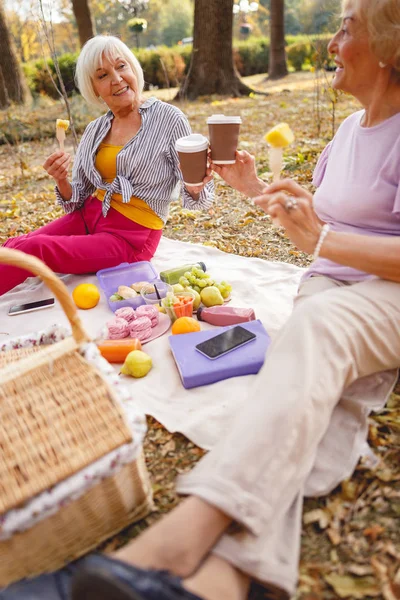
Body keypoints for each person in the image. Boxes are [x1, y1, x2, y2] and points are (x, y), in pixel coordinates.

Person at [71, 2, 400, 599]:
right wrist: (255, 189)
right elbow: (326, 215)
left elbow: (334, 236)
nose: (330, 44)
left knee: (314, 337)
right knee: (316, 399)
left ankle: (177, 541)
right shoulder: (352, 130)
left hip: (386, 294)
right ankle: (222, 580)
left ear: (387, 46)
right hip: (329, 285)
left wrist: (322, 240)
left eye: (345, 28)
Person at [0, 36, 213, 296]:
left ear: (133, 68)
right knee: (17, 243)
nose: (117, 79)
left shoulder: (169, 119)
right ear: (94, 88)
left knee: (35, 250)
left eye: (121, 66)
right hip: (91, 215)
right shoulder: (96, 129)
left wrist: (196, 183)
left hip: (131, 238)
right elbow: (76, 198)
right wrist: (61, 180)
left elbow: (197, 195)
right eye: (103, 75)